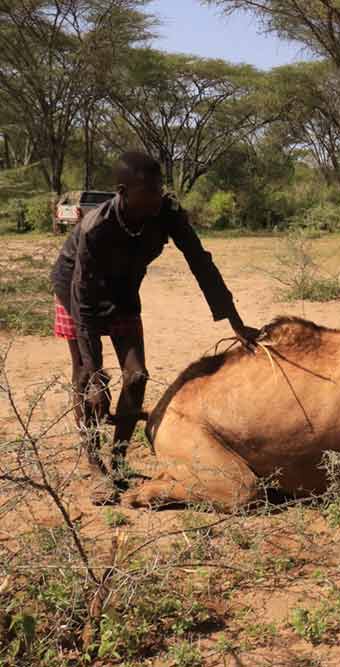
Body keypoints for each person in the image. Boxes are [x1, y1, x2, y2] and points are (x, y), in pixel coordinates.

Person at [50, 151, 258, 504]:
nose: (156, 197)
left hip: (124, 293)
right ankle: (95, 465)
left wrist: (235, 321)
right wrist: (95, 371)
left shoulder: (166, 215)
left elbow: (200, 262)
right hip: (75, 291)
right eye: (148, 191)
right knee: (87, 380)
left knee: (137, 376)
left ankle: (117, 461)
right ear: (122, 191)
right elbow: (82, 301)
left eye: (159, 188)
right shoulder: (95, 228)